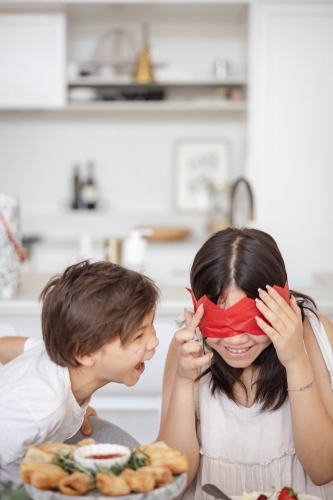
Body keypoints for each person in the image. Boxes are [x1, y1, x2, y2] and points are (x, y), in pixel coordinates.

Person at [158, 227, 333, 499]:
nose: (236, 340)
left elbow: (323, 469)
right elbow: (173, 481)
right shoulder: (189, 349)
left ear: (281, 303)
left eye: (249, 320)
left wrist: (296, 360)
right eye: (219, 321)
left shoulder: (315, 335)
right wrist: (183, 382)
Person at [0, 260, 159, 482]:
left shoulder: (48, 356)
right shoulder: (42, 411)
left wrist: (73, 409)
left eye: (151, 325)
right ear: (85, 353)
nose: (154, 342)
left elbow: (3, 345)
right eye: (138, 336)